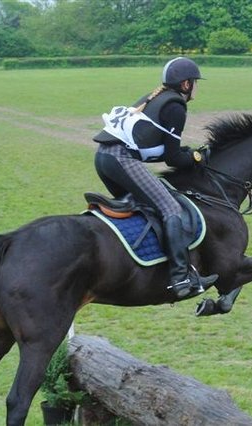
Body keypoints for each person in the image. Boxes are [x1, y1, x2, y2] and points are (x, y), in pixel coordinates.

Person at [92, 57, 218, 300]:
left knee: (149, 206)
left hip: (104, 158)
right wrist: (197, 157)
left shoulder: (155, 96)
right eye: (195, 82)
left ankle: (148, 266)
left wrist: (186, 153)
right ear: (186, 84)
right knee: (170, 207)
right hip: (121, 159)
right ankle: (181, 278)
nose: (196, 87)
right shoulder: (176, 107)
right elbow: (172, 158)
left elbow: (155, 148)